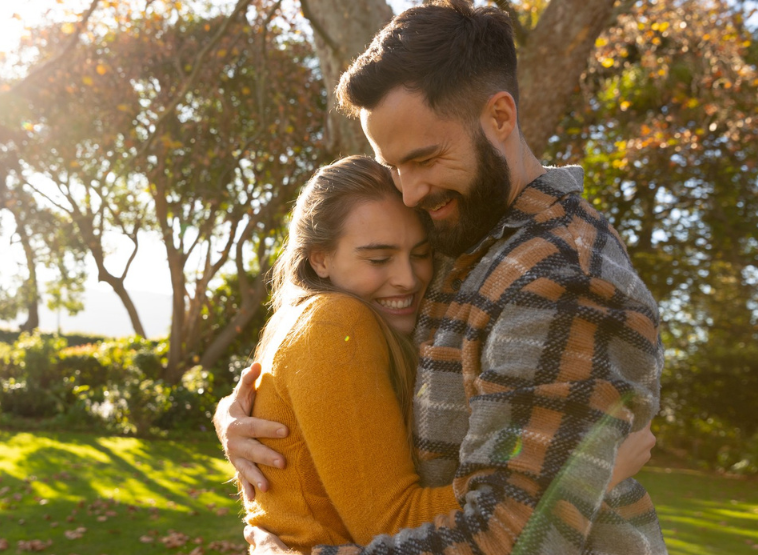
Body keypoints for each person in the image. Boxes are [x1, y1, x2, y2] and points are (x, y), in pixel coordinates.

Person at [215, 1, 666, 554]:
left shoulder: (560, 275)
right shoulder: (465, 237)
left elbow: (500, 538)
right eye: (395, 166)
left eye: (424, 158)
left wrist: (577, 481)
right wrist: (246, 415)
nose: (409, 193)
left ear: (500, 117)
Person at [240, 155, 459, 551]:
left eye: (421, 254)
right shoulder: (335, 323)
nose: (408, 278)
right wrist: (531, 482)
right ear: (320, 259)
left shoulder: (303, 320)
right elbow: (395, 525)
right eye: (378, 259)